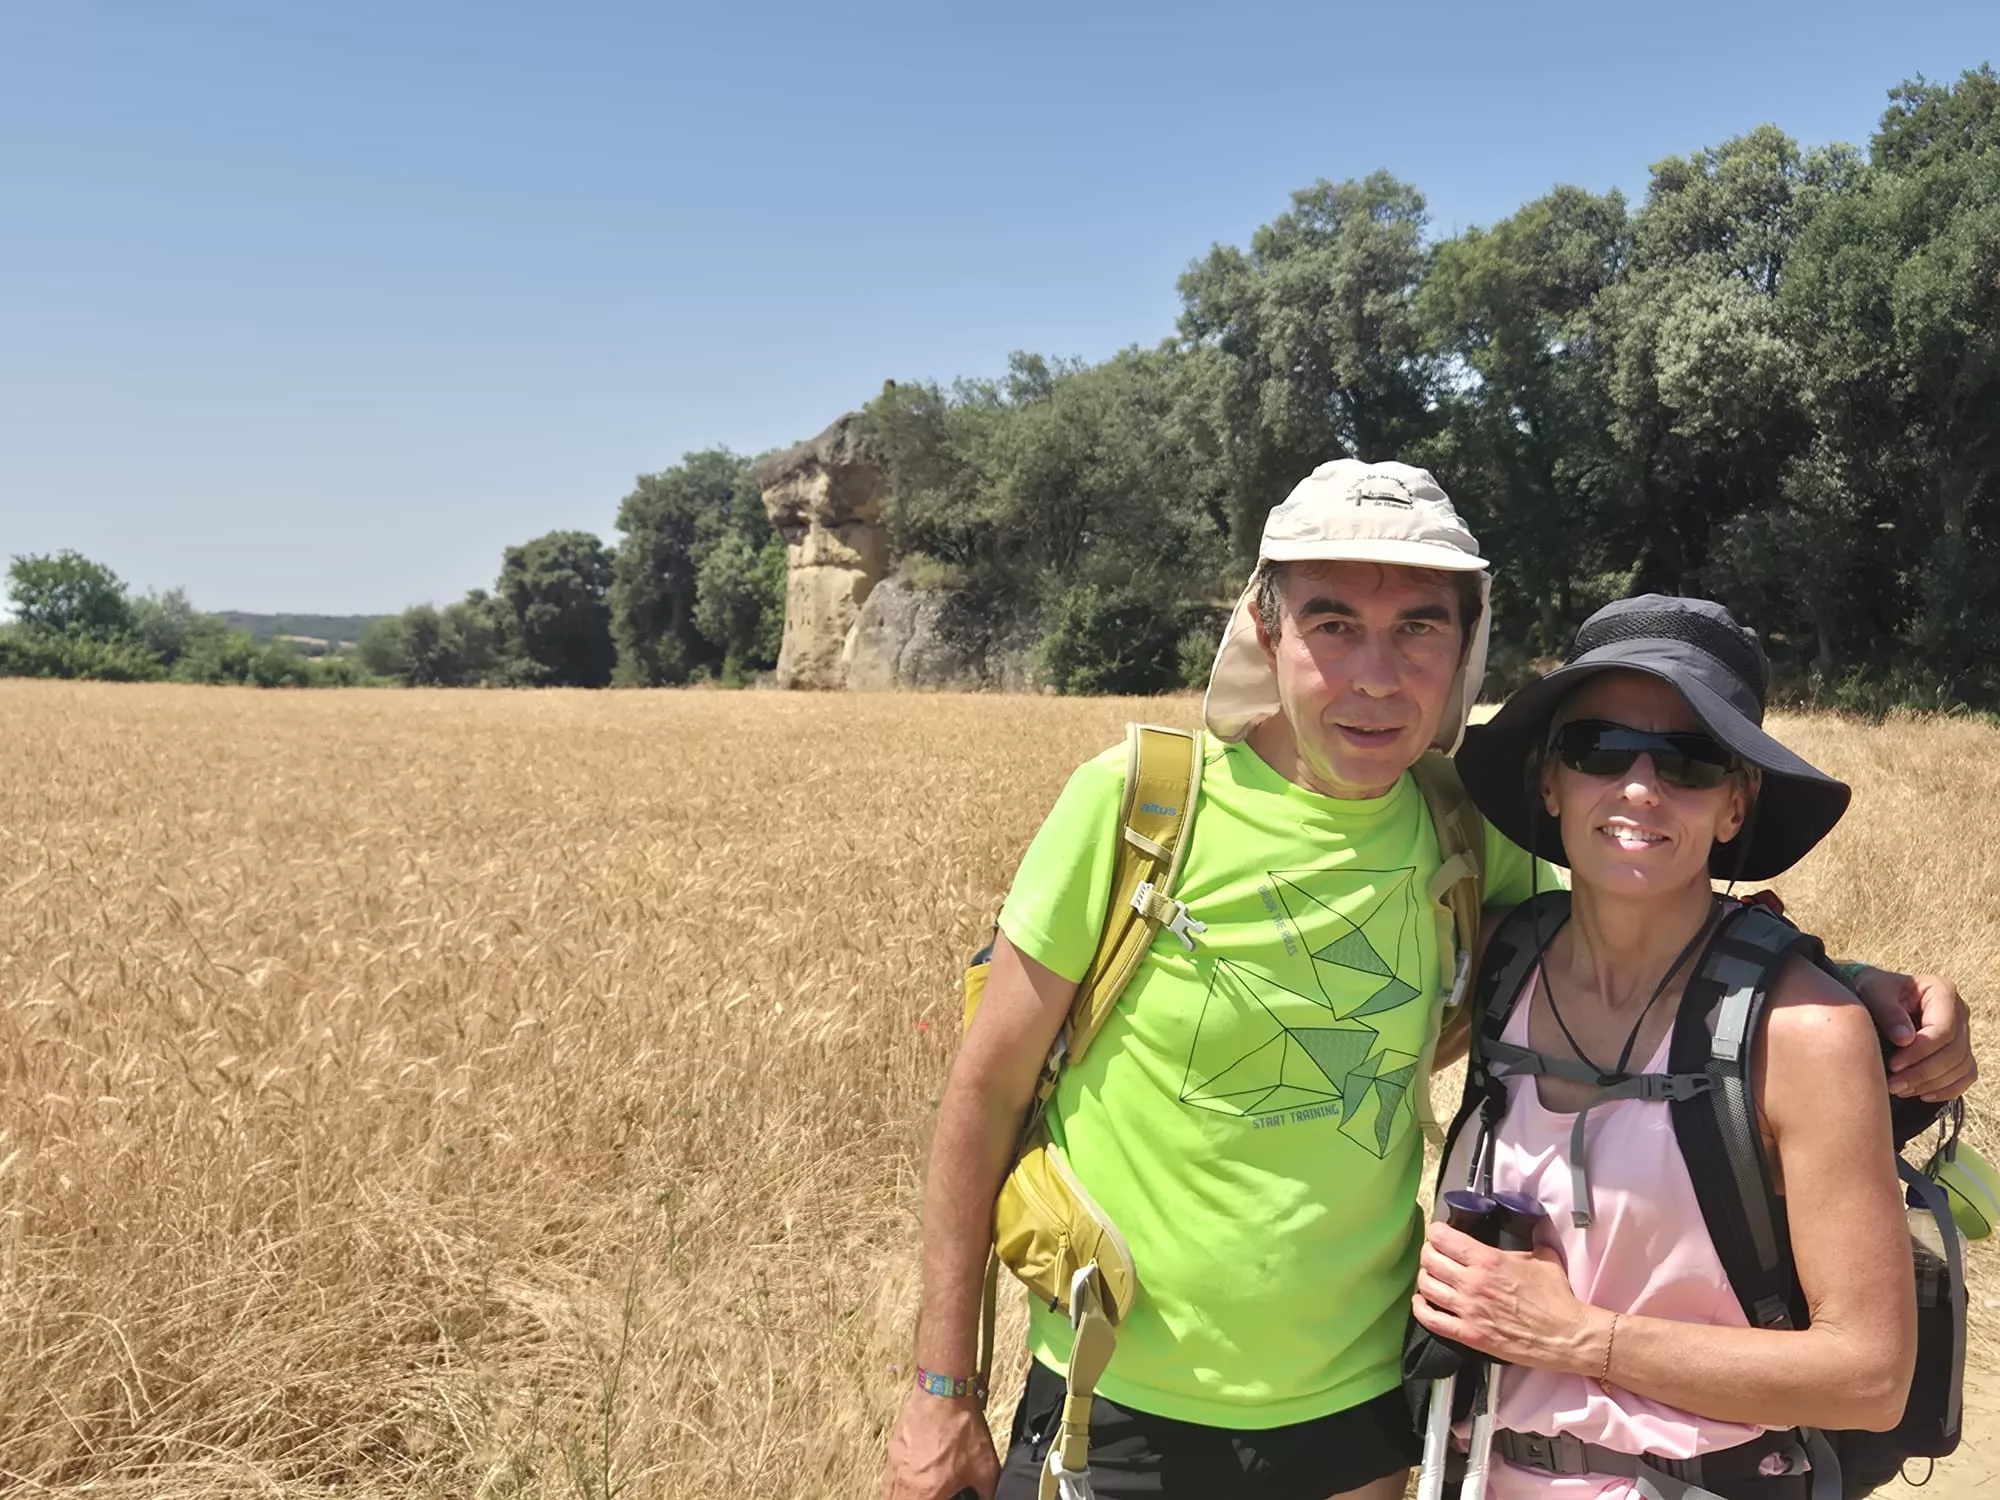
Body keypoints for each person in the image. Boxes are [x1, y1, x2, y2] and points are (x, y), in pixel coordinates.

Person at [883, 461, 1976, 1500]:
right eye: (1332, 624)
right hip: (1109, 1391)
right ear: (1266, 627)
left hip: (1362, 1406)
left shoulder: (1459, 830)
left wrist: (1841, 986)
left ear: (1466, 649)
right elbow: (980, 1098)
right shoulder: (1134, 807)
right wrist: (941, 1391)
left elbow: (1634, 911)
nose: (1373, 675)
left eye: (1416, 628)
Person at [1413, 596, 1922, 1499]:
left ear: (1735, 805)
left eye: (1689, 761)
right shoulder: (1501, 959)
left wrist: (1578, 1338)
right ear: (1550, 783)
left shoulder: (1806, 1031)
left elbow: (1871, 1377)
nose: (1639, 789)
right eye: (1599, 751)